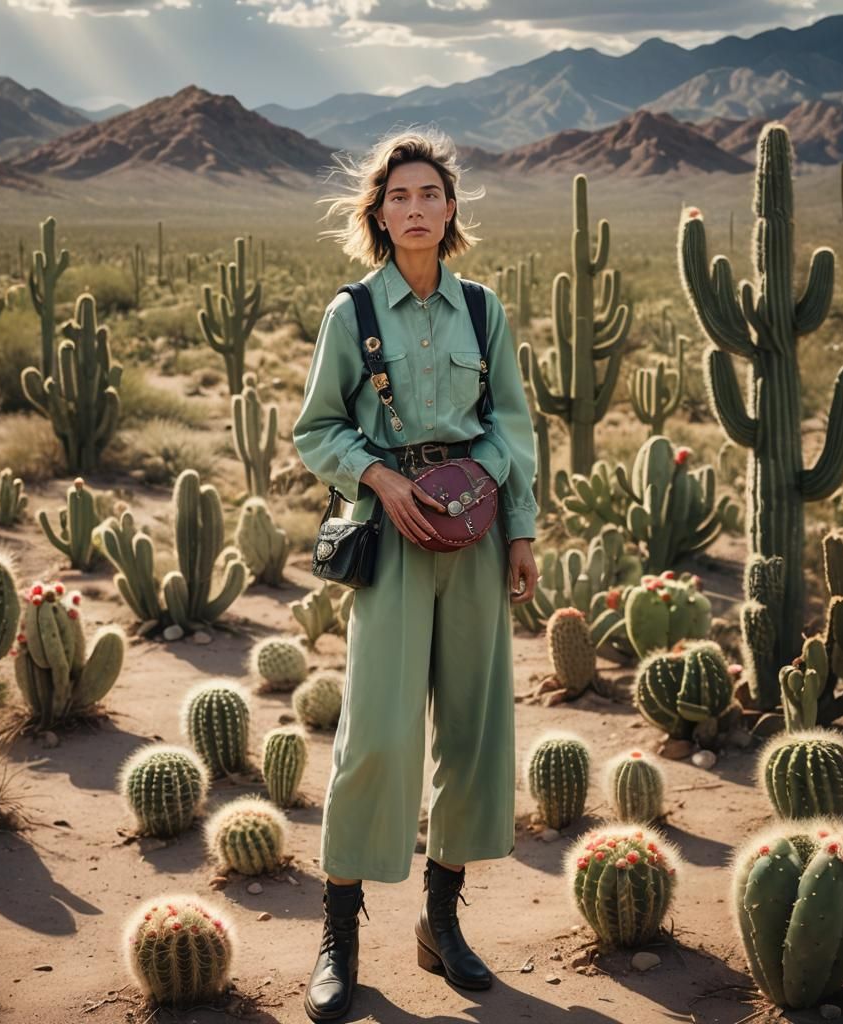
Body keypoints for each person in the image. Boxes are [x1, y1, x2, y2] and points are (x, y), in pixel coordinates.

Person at [292, 127, 539, 1022]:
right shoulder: (352, 313)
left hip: (473, 532)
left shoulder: (482, 309)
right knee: (379, 738)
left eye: (429, 193)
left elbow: (512, 427)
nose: (415, 208)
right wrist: (380, 474)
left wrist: (519, 533)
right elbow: (315, 429)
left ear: (451, 208)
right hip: (392, 536)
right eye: (398, 197)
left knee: (473, 733)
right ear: (379, 214)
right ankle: (340, 935)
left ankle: (441, 923)